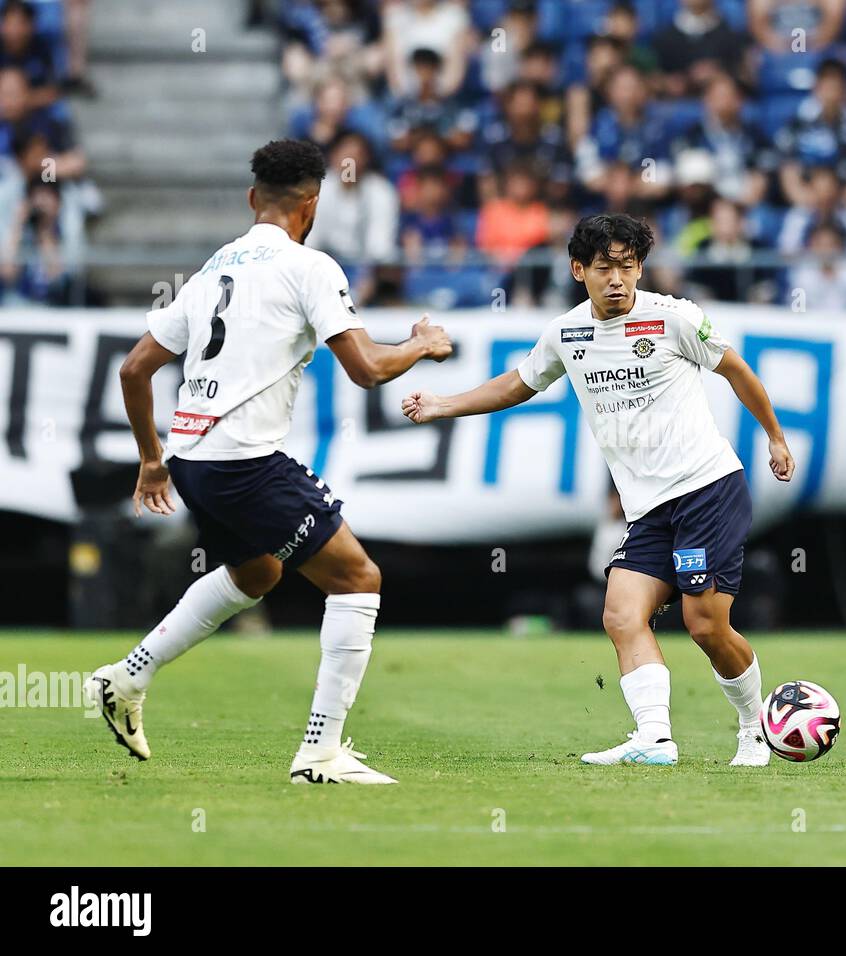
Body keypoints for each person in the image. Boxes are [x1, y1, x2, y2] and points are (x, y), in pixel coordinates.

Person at [84, 139, 453, 784]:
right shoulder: (311, 267)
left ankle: (124, 679)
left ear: (253, 199)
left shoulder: (210, 271)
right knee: (358, 580)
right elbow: (366, 369)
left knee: (256, 575)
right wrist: (420, 344)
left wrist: (151, 459)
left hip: (193, 458)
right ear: (311, 205)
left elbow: (135, 368)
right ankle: (320, 753)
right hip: (244, 460)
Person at [401, 213, 796, 767]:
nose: (618, 280)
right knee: (620, 613)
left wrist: (775, 439)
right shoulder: (567, 333)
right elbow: (516, 384)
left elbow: (737, 372)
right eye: (605, 268)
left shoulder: (674, 318)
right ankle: (655, 739)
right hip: (648, 508)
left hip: (707, 489)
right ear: (578, 269)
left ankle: (755, 728)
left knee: (704, 625)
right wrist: (444, 403)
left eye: (627, 268)